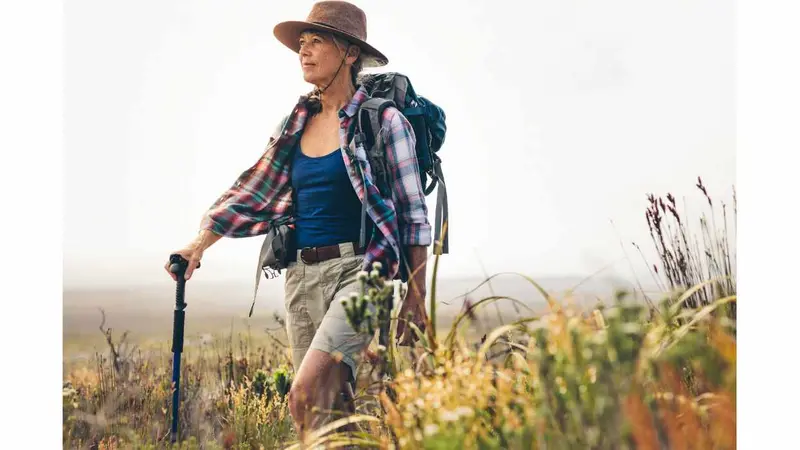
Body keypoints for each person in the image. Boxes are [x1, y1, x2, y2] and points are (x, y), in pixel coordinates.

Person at [163, 0, 432, 438]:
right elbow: (253, 188)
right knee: (327, 419)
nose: (303, 52)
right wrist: (199, 243)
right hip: (301, 276)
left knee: (305, 393)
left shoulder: (384, 122)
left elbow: (413, 214)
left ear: (349, 53)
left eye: (317, 41)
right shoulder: (295, 121)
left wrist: (416, 299)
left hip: (363, 274)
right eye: (301, 43)